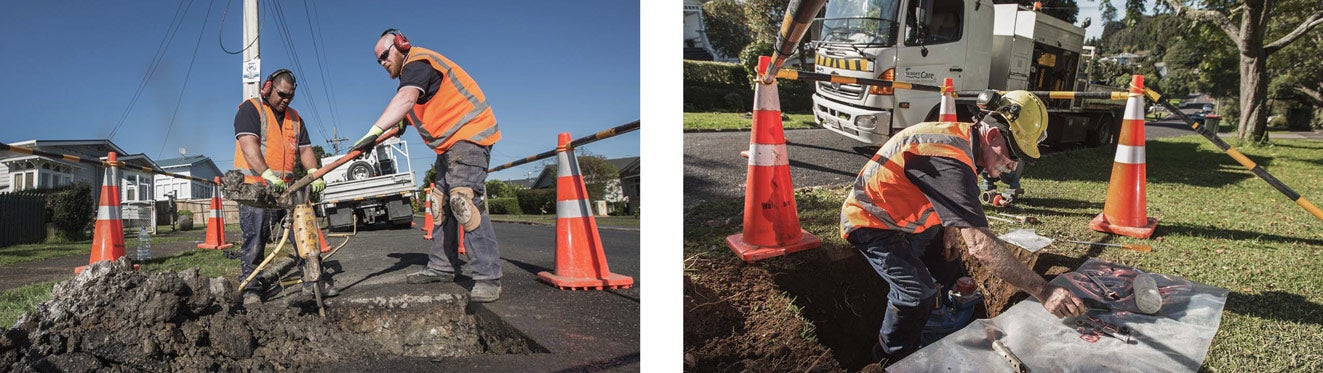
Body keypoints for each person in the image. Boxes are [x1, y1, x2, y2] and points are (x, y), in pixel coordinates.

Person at [840, 90, 1086, 360]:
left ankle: (942, 320)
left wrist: (950, 226)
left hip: (905, 215)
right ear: (992, 136)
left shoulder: (963, 143)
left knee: (949, 269)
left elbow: (939, 189)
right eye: (1013, 152)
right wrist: (1043, 290)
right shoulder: (949, 158)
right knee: (916, 292)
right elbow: (979, 245)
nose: (1013, 164)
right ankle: (890, 357)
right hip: (871, 220)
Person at [352, 29, 503, 302]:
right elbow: (413, 109)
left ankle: (488, 277)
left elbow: (406, 98)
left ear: (400, 44)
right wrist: (398, 125)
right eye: (378, 60)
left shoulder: (417, 63)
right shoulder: (413, 75)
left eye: (384, 55)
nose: (382, 62)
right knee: (440, 204)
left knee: (463, 202)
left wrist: (372, 132)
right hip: (449, 146)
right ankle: (443, 266)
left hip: (469, 135)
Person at [232, 69, 330, 305]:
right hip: (257, 191)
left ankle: (313, 282)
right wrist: (266, 174)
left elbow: (305, 149)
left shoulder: (295, 118)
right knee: (255, 242)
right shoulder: (251, 109)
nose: (285, 100)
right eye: (282, 94)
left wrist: (312, 173)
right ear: (267, 89)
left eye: (290, 96)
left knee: (304, 235)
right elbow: (248, 145)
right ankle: (251, 289)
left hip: (287, 190)